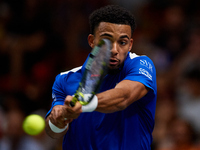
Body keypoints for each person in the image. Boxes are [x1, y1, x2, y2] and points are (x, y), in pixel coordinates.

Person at [45, 5, 157, 150]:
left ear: (130, 45)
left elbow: (124, 96)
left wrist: (84, 103)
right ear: (91, 41)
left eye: (122, 42)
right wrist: (59, 120)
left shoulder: (141, 64)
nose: (114, 50)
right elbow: (53, 132)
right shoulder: (65, 79)